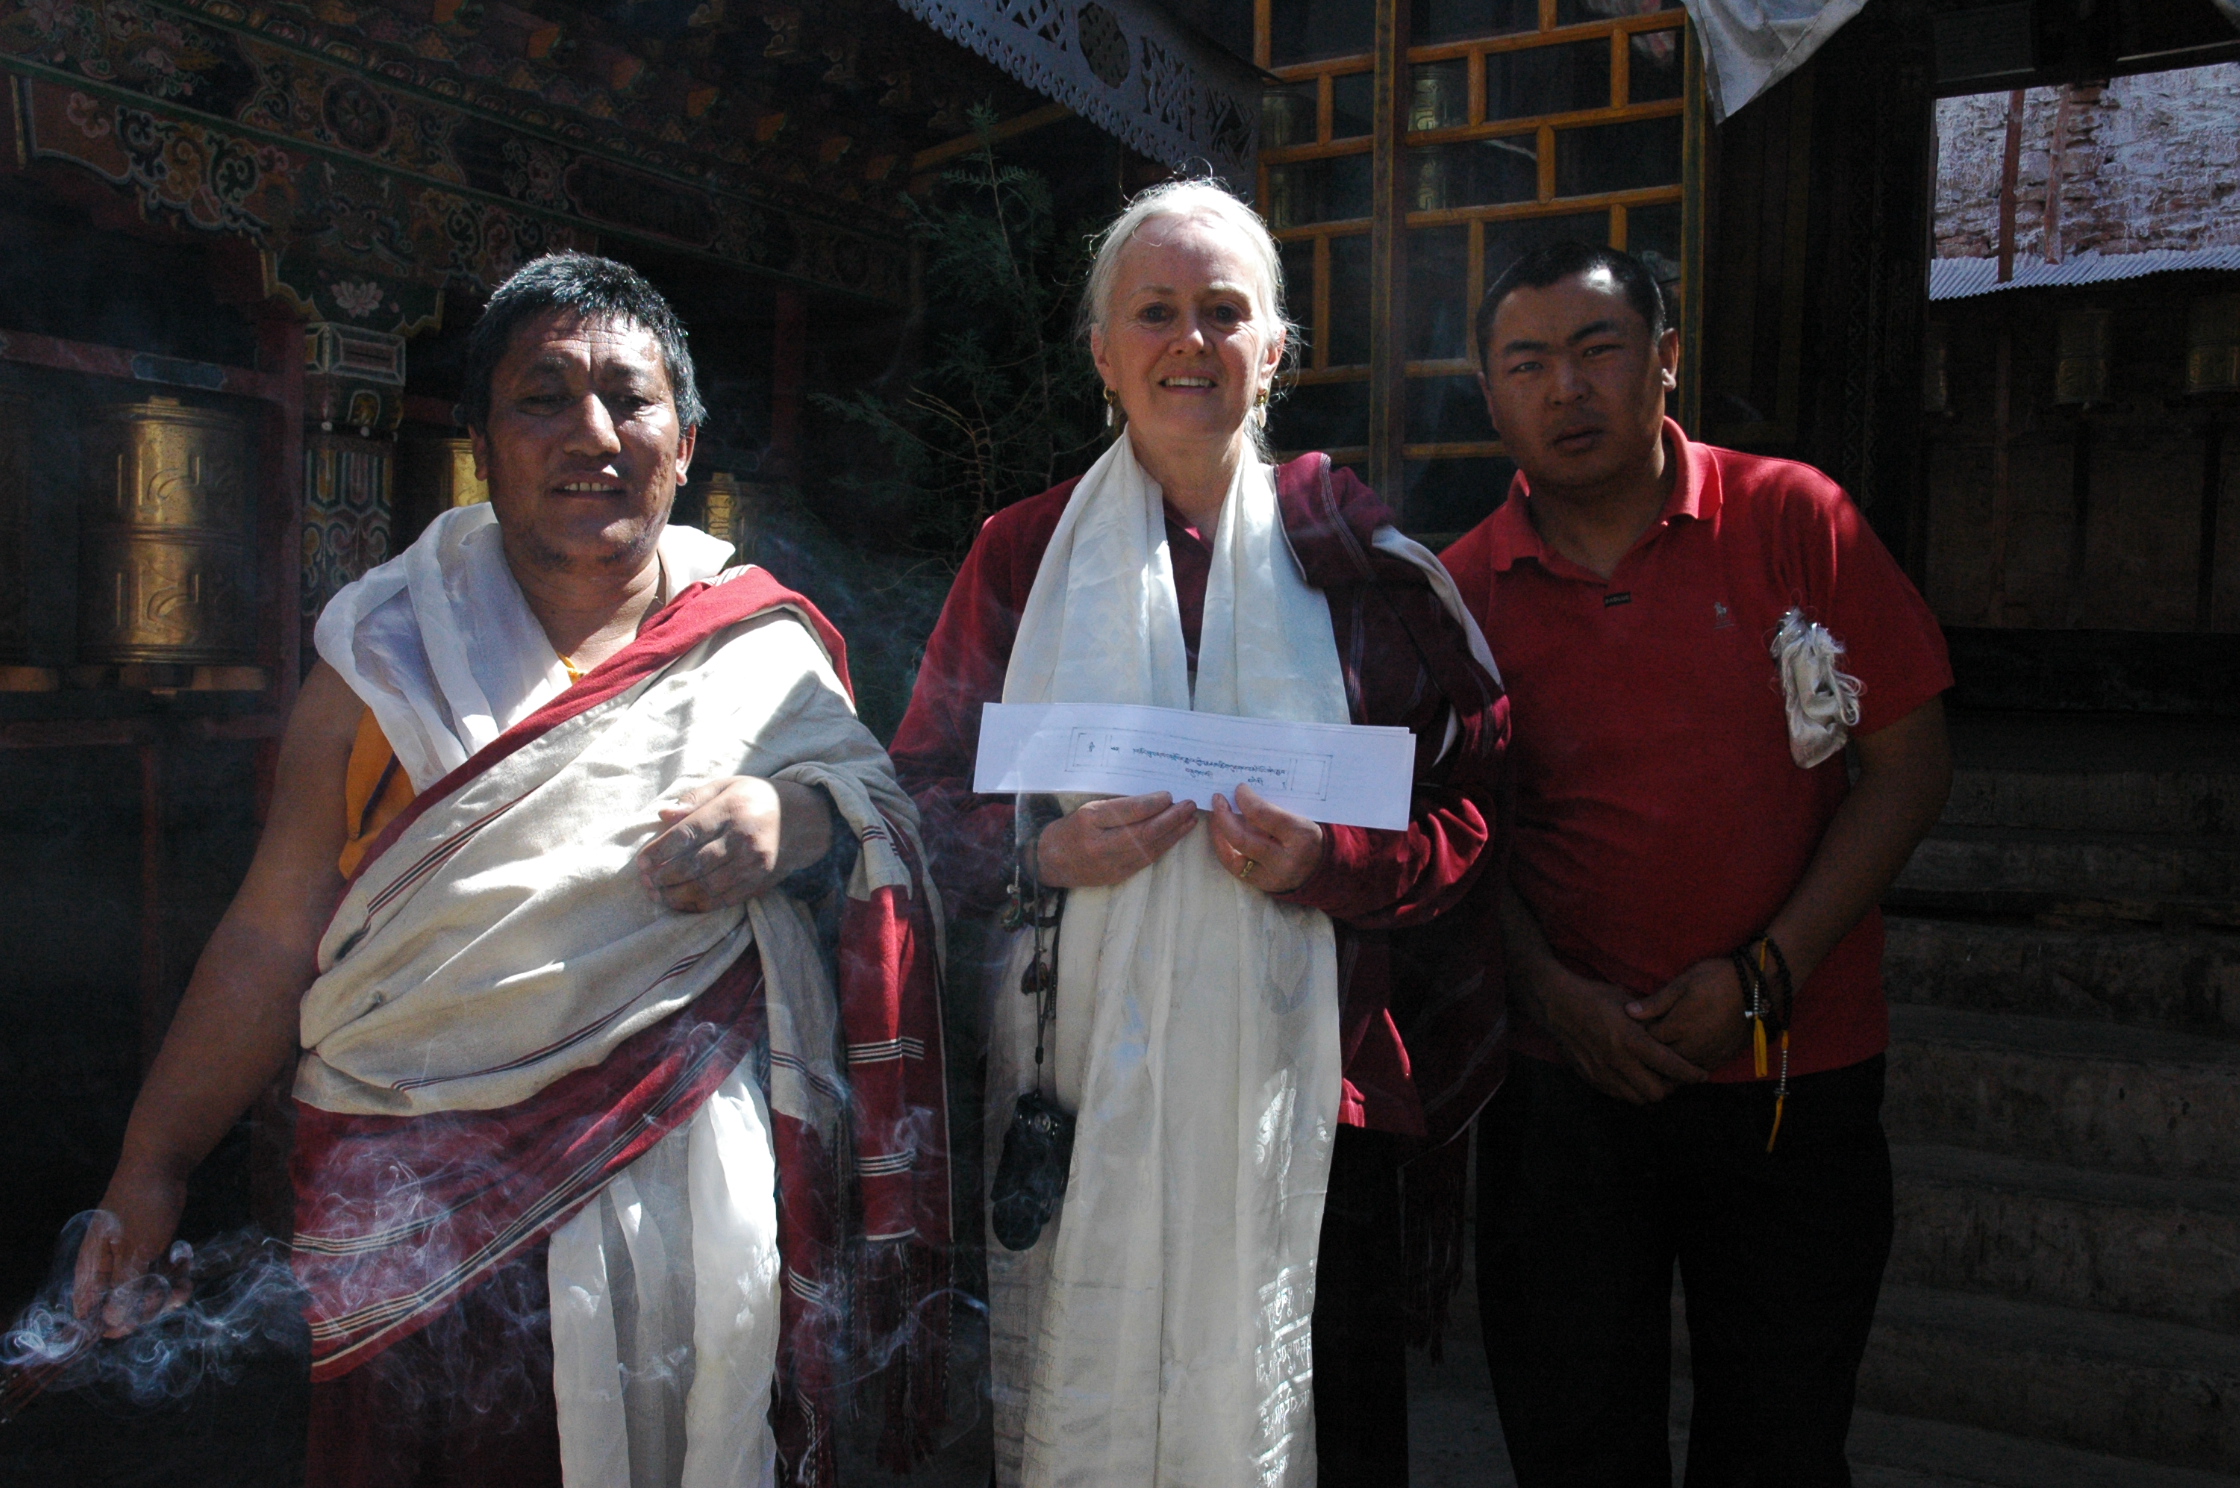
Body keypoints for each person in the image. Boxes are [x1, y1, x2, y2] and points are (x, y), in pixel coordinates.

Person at [71, 252, 950, 1488]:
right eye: (543, 396)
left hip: (685, 1199)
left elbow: (886, 832)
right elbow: (274, 935)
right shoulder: (382, 664)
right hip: (406, 1210)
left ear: (684, 443)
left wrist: (792, 818)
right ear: (483, 446)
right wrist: (149, 1165)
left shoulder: (763, 654)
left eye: (627, 398)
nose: (591, 432)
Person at [888, 178, 1509, 1488]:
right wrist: (1041, 853)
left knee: (1318, 1427)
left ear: (1275, 349)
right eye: (1154, 312)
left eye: (1223, 312)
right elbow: (920, 797)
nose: (1190, 342)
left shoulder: (1347, 563)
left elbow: (1467, 810)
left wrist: (1333, 863)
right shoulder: (1022, 557)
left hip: (1311, 1097)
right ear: (1103, 350)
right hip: (1077, 1092)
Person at [1439, 241, 1955, 1487]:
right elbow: (1447, 841)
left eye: (1597, 350)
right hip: (1564, 1083)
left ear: (1664, 361)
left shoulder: (1792, 519)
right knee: (1571, 1439)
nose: (1566, 389)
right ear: (1490, 395)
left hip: (1793, 1068)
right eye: (1527, 363)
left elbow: (1906, 765)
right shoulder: (1458, 591)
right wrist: (1550, 995)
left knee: (1778, 1439)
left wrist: (1763, 974)